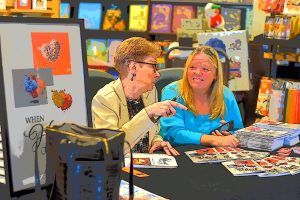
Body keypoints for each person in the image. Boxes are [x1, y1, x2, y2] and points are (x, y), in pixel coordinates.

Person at [92, 37, 187, 155]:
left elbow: (153, 130)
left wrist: (157, 141)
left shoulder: (150, 92)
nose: (157, 74)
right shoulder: (104, 99)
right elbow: (112, 149)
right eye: (153, 66)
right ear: (133, 67)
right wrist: (147, 113)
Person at [160, 45, 243, 147]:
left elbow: (238, 131)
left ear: (216, 74)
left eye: (205, 69)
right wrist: (212, 140)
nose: (198, 73)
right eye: (192, 67)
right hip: (179, 154)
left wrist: (229, 135)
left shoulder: (226, 94)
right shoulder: (172, 92)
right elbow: (172, 134)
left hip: (216, 154)